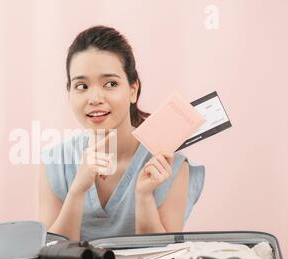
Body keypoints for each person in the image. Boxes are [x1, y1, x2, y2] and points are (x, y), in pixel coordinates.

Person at [39, 25, 205, 241]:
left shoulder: (170, 165)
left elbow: (166, 258)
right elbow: (50, 255)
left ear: (133, 90)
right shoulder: (55, 161)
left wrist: (144, 197)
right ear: (69, 92)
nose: (95, 98)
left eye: (110, 83)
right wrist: (77, 191)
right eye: (81, 86)